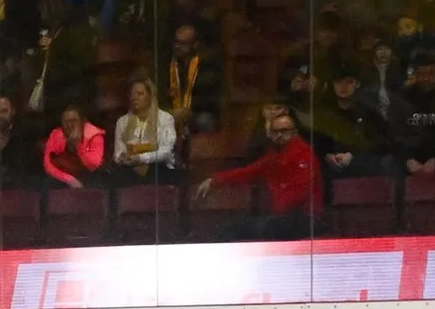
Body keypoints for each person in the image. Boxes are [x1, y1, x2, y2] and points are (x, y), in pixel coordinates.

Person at [194, 111, 321, 239]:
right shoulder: (273, 156)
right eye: (275, 132)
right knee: (233, 227)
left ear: (294, 132)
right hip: (280, 219)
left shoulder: (304, 154)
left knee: (261, 227)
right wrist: (215, 180)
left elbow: (300, 193)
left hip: (303, 219)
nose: (279, 135)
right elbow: (247, 172)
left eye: (284, 131)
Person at [311, 66, 393, 179]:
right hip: (330, 167)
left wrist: (353, 155)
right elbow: (315, 142)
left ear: (358, 84)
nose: (343, 86)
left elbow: (380, 143)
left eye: (349, 82)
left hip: (363, 166)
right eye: (339, 82)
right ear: (333, 84)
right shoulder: (323, 112)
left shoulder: (369, 112)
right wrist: (326, 156)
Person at [392, 51, 435, 176]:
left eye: (431, 74)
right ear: (415, 75)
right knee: (389, 164)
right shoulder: (403, 99)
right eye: (421, 74)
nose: (425, 78)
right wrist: (408, 159)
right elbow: (396, 133)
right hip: (412, 157)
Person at [110, 78, 177, 184]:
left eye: (140, 94)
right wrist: (122, 157)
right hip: (130, 169)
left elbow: (166, 151)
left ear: (151, 97)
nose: (134, 98)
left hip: (158, 169)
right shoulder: (122, 122)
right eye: (132, 94)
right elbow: (118, 153)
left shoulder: (165, 119)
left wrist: (141, 158)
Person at [160, 24, 220, 140]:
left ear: (195, 45)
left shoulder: (206, 67)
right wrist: (170, 112)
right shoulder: (167, 65)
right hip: (172, 115)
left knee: (205, 120)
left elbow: (211, 100)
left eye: (183, 43)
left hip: (195, 114)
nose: (177, 47)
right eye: (176, 42)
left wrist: (189, 110)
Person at [0, 94, 39, 190]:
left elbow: (27, 163)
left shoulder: (25, 129)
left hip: (20, 181)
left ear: (13, 112)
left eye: (4, 111)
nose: (0, 116)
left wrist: (5, 148)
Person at [42, 105, 104, 188]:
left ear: (82, 122)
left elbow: (93, 165)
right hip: (65, 178)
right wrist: (70, 180)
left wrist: (77, 145)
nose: (70, 125)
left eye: (74, 121)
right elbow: (48, 165)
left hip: (90, 177)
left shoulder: (95, 135)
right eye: (66, 121)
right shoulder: (56, 134)